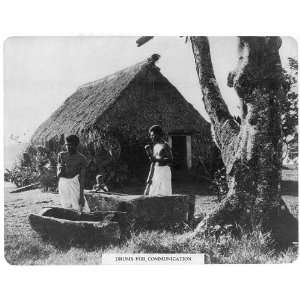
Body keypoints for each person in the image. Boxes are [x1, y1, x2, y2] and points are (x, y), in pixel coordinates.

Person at [57, 135, 90, 212]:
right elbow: (58, 174)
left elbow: (82, 178)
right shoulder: (61, 155)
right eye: (67, 145)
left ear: (76, 145)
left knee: (81, 208)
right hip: (63, 184)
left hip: (74, 183)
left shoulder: (81, 158)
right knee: (66, 207)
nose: (68, 147)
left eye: (71, 145)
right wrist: (60, 168)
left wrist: (81, 196)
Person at [145, 125, 173, 196]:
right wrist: (149, 178)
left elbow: (170, 159)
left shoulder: (165, 145)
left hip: (164, 172)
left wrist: (157, 159)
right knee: (152, 194)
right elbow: (153, 162)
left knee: (164, 195)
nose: (151, 137)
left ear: (158, 135)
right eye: (151, 135)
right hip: (156, 172)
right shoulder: (155, 146)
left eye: (153, 135)